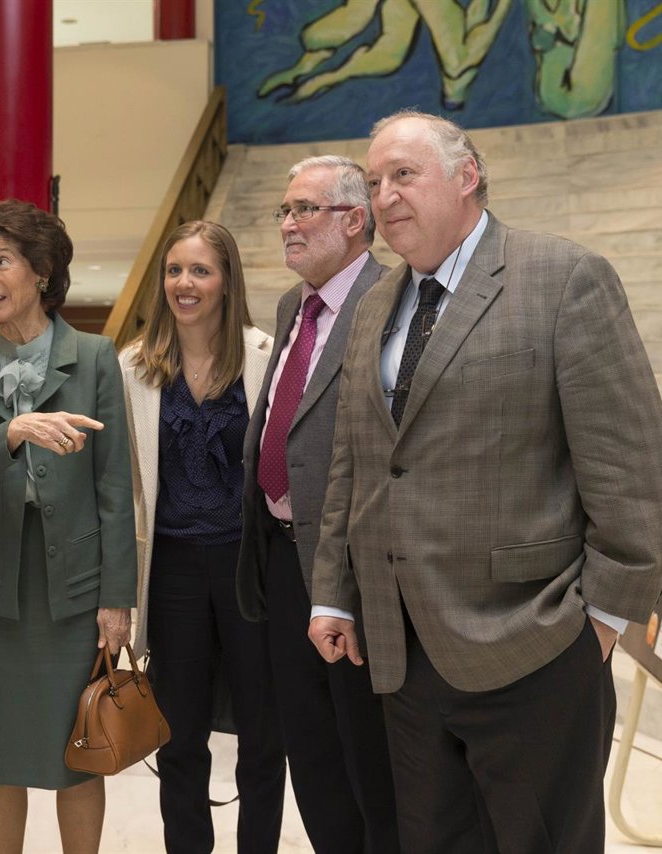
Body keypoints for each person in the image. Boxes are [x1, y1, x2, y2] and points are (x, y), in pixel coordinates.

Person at [307, 110, 662, 853]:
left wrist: (598, 623)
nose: (385, 197)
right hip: (403, 652)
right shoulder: (379, 302)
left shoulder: (563, 278)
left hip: (533, 643)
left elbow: (631, 470)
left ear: (466, 175)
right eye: (375, 183)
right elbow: (358, 460)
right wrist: (334, 589)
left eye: (404, 175)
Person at [0, 199, 136, 854]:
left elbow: (113, 487)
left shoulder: (96, 357)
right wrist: (14, 430)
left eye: (1, 261)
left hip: (74, 586)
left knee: (78, 744)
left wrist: (117, 598)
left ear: (42, 270)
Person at [236, 155, 399, 853]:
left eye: (305, 209)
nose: (288, 225)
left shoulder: (396, 303)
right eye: (284, 211)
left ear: (355, 220)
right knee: (312, 756)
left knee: (368, 760)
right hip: (280, 560)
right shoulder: (291, 305)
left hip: (356, 571)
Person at [119, 220, 284, 853]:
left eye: (200, 271)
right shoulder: (132, 367)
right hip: (172, 572)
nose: (184, 284)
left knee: (264, 735)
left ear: (226, 280)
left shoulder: (267, 356)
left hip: (251, 571)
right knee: (178, 734)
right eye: (174, 271)